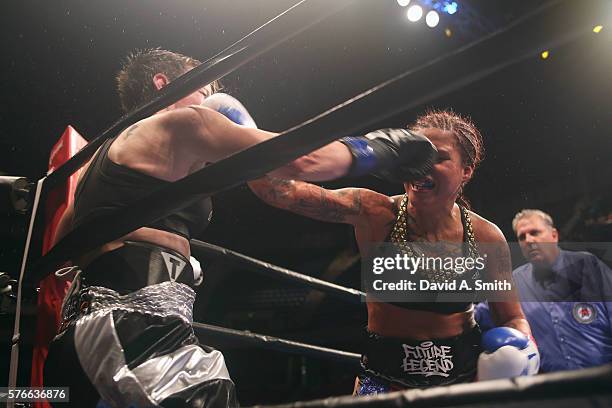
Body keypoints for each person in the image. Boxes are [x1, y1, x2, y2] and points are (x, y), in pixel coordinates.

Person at [42, 48, 437, 407]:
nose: (210, 102)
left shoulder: (98, 162)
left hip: (80, 340)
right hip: (133, 330)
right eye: (203, 89)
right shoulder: (180, 123)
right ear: (163, 83)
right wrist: (383, 148)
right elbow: (301, 161)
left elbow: (60, 247)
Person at [248, 110, 539, 394]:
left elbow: (512, 317)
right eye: (413, 156)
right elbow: (280, 191)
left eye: (438, 158)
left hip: (462, 381)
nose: (422, 166)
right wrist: (241, 130)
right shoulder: (376, 213)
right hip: (385, 381)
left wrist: (522, 349)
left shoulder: (487, 237)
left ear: (466, 171)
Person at [476, 209, 612, 373]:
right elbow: (476, 318)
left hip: (603, 383)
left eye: (535, 233)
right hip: (550, 390)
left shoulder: (588, 266)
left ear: (554, 235)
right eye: (522, 237)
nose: (529, 240)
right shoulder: (515, 282)